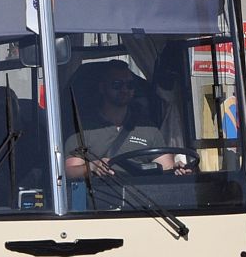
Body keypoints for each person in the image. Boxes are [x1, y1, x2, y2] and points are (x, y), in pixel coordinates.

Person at [64, 60, 195, 180]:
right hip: (99, 199)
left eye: (130, 85)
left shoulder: (147, 128)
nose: (124, 89)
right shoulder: (83, 129)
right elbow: (69, 171)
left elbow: (166, 167)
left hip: (144, 200)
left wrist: (176, 170)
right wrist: (92, 167)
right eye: (117, 84)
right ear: (102, 88)